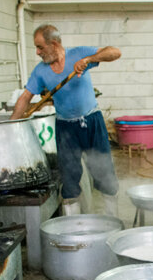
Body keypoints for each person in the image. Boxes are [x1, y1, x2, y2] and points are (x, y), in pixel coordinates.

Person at [11, 24, 121, 216]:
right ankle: (73, 228)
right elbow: (25, 98)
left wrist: (89, 59)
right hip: (65, 128)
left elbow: (115, 52)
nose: (37, 52)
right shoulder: (40, 71)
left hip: (92, 121)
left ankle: (113, 223)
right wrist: (10, 126)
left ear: (54, 44)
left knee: (104, 173)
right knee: (69, 180)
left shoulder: (78, 54)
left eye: (40, 47)